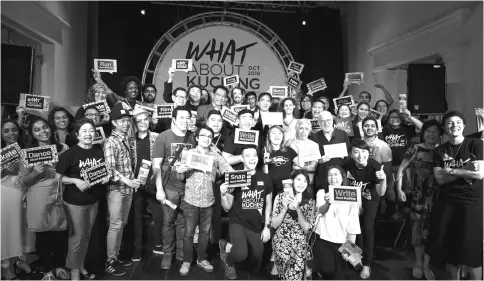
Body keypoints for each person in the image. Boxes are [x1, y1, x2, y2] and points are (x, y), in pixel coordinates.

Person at [427, 111, 483, 280]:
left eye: (458, 122)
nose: (454, 126)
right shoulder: (439, 151)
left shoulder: (476, 144)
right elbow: (439, 179)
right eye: (450, 123)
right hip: (447, 201)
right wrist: (466, 171)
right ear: (444, 128)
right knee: (448, 241)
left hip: (471, 201)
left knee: (470, 245)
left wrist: (450, 170)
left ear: (464, 125)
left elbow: (479, 174)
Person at [175, 125, 234, 275]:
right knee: (188, 233)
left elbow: (230, 172)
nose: (207, 139)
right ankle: (187, 261)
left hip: (208, 200)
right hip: (190, 200)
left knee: (205, 233)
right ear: (196, 138)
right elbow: (180, 178)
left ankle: (202, 259)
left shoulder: (215, 155)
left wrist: (231, 181)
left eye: (210, 136)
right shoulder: (187, 153)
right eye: (203, 136)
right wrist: (180, 171)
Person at [17, 116, 70, 280]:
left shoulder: (63, 148)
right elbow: (22, 181)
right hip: (38, 196)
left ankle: (60, 266)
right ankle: (47, 270)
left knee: (61, 233)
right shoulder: (28, 154)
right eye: (37, 129)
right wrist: (34, 173)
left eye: (45, 127)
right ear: (32, 134)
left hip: (61, 194)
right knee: (43, 235)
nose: (43, 131)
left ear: (50, 128)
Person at [56, 118, 109, 281]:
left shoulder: (99, 151)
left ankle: (80, 265)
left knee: (86, 236)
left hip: (94, 201)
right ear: (77, 134)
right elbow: (57, 177)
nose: (88, 134)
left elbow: (103, 172)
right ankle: (74, 273)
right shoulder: (69, 154)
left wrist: (105, 177)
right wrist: (75, 181)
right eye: (84, 131)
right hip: (74, 203)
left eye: (91, 131)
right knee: (77, 238)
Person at [395, 120, 443, 280]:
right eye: (428, 130)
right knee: (417, 231)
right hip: (417, 196)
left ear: (440, 134)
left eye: (435, 131)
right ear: (423, 133)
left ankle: (426, 265)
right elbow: (401, 169)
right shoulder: (415, 148)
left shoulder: (443, 150)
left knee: (432, 231)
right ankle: (417, 262)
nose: (431, 134)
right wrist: (399, 189)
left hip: (438, 197)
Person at [152, 105, 196, 270]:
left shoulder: (193, 138)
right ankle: (167, 255)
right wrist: (159, 189)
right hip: (169, 188)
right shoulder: (163, 137)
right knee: (168, 222)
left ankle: (181, 254)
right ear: (174, 119)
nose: (185, 121)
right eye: (182, 118)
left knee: (184, 223)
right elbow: (156, 166)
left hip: (188, 188)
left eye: (188, 118)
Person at [219, 145, 273, 280]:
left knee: (256, 264)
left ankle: (231, 247)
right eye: (247, 155)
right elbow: (226, 207)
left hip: (255, 224)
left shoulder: (265, 178)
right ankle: (228, 259)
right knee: (240, 255)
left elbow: (268, 204)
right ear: (242, 158)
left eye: (254, 155)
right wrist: (222, 193)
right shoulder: (234, 177)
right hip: (238, 221)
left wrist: (267, 227)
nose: (252, 158)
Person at [103, 102, 141, 277]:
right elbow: (109, 169)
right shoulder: (111, 141)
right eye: (121, 120)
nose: (125, 123)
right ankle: (110, 261)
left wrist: (133, 180)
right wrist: (127, 180)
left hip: (128, 189)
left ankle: (116, 257)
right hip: (116, 189)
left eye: (127, 120)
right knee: (115, 225)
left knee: (122, 224)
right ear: (114, 122)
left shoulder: (127, 139)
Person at [341, 139, 387, 279]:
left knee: (367, 228)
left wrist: (383, 179)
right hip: (352, 199)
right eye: (356, 152)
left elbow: (380, 193)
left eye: (363, 151)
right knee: (350, 228)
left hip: (370, 199)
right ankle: (355, 259)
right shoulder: (347, 164)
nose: (360, 155)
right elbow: (343, 184)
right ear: (351, 154)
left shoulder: (375, 166)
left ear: (369, 152)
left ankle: (367, 264)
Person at [313, 166, 361, 280]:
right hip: (323, 239)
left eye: (336, 174)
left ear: (342, 177)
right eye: (330, 175)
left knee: (340, 275)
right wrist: (327, 203)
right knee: (327, 270)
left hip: (342, 241)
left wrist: (349, 249)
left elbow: (353, 225)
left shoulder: (351, 194)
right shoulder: (322, 193)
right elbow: (320, 211)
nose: (332, 177)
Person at [1, 120, 34, 280]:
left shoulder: (25, 150)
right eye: (6, 131)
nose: (11, 133)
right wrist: (3, 171)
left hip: (22, 194)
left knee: (20, 231)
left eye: (14, 130)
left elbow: (31, 173)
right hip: (4, 196)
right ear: (1, 134)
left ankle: (19, 260)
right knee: (5, 232)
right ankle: (6, 268)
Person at [129, 107, 163, 261]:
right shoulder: (128, 140)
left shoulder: (157, 137)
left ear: (149, 120)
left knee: (160, 215)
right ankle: (136, 251)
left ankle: (158, 245)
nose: (142, 122)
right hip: (135, 184)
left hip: (153, 183)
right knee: (136, 218)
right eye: (139, 120)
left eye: (145, 119)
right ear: (134, 123)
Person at [271, 169, 315, 280]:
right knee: (285, 274)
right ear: (292, 181)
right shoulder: (280, 197)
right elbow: (274, 224)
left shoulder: (310, 201)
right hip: (281, 240)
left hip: (299, 243)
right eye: (299, 179)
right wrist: (284, 208)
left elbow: (306, 229)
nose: (302, 183)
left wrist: (298, 208)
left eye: (305, 181)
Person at [382, 109, 422, 218]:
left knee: (407, 189)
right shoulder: (385, 129)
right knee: (392, 191)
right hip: (390, 164)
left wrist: (410, 117)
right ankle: (396, 211)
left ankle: (407, 211)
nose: (394, 119)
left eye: (397, 117)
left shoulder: (407, 129)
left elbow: (423, 128)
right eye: (392, 117)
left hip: (406, 165)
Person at [311, 111, 351, 193]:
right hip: (322, 176)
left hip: (339, 177)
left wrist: (345, 156)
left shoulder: (342, 134)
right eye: (322, 121)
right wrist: (320, 160)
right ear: (318, 123)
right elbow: (311, 158)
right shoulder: (314, 137)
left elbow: (349, 155)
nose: (326, 123)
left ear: (333, 121)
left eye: (328, 120)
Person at [262, 125, 298, 196]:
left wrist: (297, 148)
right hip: (272, 186)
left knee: (287, 205)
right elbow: (265, 174)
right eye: (274, 133)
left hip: (287, 186)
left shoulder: (289, 150)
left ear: (282, 137)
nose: (277, 135)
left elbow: (300, 164)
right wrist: (265, 162)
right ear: (269, 136)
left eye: (279, 133)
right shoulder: (264, 152)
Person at [288, 119, 321, 185]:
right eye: (301, 128)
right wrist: (305, 166)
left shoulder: (314, 145)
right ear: (296, 129)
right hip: (293, 180)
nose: (303, 131)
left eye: (306, 128)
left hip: (309, 181)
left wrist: (298, 168)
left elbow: (312, 167)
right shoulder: (290, 144)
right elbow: (288, 166)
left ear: (309, 130)